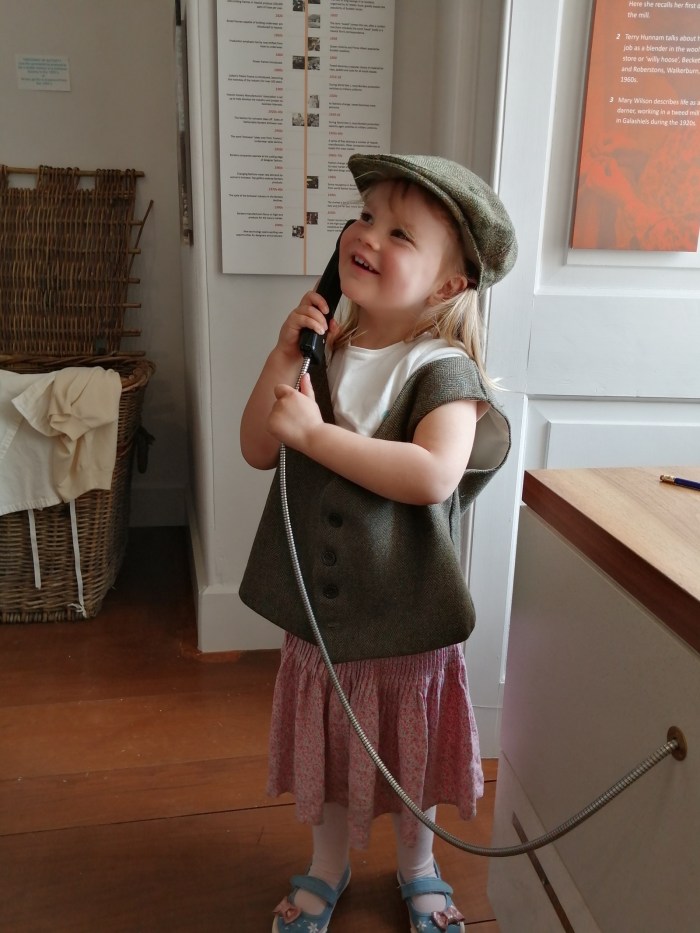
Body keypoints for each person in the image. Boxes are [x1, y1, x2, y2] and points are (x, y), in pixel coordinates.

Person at [239, 153, 517, 933]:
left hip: (404, 619)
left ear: (446, 286)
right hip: (323, 619)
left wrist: (319, 437)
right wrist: (281, 357)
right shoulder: (330, 351)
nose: (367, 235)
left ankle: (418, 864)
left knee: (409, 751)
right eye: (365, 217)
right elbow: (258, 448)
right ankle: (327, 864)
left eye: (401, 232)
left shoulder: (443, 372)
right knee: (329, 750)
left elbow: (432, 474)